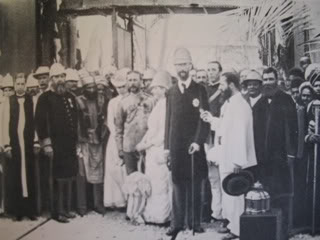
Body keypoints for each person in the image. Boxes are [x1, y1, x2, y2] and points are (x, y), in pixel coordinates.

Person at [202, 72, 257, 240]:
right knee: (229, 193)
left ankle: (238, 230)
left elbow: (240, 133)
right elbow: (226, 127)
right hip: (227, 156)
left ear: (231, 85)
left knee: (235, 195)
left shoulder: (240, 105)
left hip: (235, 158)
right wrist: (211, 119)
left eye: (222, 85)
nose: (219, 88)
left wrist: (238, 161)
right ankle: (231, 224)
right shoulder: (230, 103)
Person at [165, 48, 210, 236]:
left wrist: (198, 142)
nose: (181, 68)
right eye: (178, 64)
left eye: (184, 64)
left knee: (195, 185)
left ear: (190, 65)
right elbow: (168, 121)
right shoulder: (171, 91)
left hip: (194, 147)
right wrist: (167, 148)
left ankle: (195, 222)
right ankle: (177, 223)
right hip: (176, 148)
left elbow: (204, 120)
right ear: (174, 67)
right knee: (177, 185)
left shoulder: (200, 90)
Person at [35, 63, 78, 223]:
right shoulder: (44, 98)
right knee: (56, 178)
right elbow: (40, 123)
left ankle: (66, 209)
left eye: (62, 76)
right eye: (57, 77)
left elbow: (75, 120)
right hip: (54, 146)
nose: (60, 80)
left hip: (69, 145)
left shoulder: (69, 97)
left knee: (68, 176)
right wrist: (46, 144)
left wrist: (76, 142)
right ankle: (56, 212)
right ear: (51, 79)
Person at [262, 67, 298, 239]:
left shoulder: (286, 99)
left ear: (277, 80)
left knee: (282, 194)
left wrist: (291, 153)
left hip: (281, 155)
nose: (268, 82)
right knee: (266, 192)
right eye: (265, 79)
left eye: (271, 79)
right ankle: (268, 230)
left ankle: (284, 231)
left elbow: (292, 128)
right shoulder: (261, 100)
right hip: (264, 157)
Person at [2, 74, 40, 221]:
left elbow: (35, 122)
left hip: (28, 143)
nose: (20, 86)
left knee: (30, 175)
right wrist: (7, 145)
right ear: (14, 86)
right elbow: (5, 123)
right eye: (17, 84)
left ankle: (30, 210)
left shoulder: (32, 100)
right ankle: (18, 211)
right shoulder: (8, 101)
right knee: (16, 176)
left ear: (25, 85)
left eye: (22, 83)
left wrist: (36, 141)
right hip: (15, 143)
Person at [136, 71, 172, 224]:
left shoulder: (166, 106)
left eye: (157, 88)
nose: (153, 91)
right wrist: (143, 142)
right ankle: (151, 212)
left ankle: (161, 215)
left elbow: (164, 132)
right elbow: (151, 129)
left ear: (164, 88)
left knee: (160, 183)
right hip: (151, 149)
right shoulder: (159, 104)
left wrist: (147, 144)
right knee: (153, 182)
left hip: (159, 147)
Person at [76, 74, 106, 215]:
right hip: (83, 141)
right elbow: (75, 123)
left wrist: (101, 132)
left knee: (98, 172)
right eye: (88, 87)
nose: (92, 89)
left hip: (98, 140)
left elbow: (105, 120)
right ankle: (82, 206)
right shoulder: (79, 101)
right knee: (82, 173)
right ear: (84, 88)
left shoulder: (101, 100)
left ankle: (98, 204)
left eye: (93, 86)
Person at [115, 70, 154, 175]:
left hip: (146, 147)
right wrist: (120, 149)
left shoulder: (150, 100)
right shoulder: (122, 103)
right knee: (131, 181)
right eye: (130, 80)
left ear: (141, 81)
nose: (132, 83)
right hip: (129, 147)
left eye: (135, 80)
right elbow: (118, 128)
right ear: (127, 82)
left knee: (148, 177)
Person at [103, 68, 130, 209]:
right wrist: (118, 136)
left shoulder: (132, 99)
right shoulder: (113, 102)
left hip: (130, 137)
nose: (120, 90)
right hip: (115, 139)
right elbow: (110, 122)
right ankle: (118, 200)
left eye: (123, 87)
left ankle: (129, 199)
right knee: (115, 168)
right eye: (118, 87)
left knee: (127, 169)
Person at [205, 60, 224, 225]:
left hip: (220, 137)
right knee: (211, 177)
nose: (211, 72)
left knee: (222, 174)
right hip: (206, 137)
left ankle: (223, 212)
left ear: (220, 71)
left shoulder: (223, 90)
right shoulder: (203, 89)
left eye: (214, 69)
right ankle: (214, 211)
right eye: (209, 70)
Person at [242, 70, 269, 182]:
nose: (252, 87)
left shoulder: (265, 102)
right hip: (247, 143)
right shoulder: (243, 102)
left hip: (260, 144)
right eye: (249, 84)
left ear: (260, 86)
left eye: (255, 84)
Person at [304, 70, 320, 233]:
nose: (319, 87)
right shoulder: (311, 105)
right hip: (315, 153)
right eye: (316, 85)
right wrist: (309, 136)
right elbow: (302, 129)